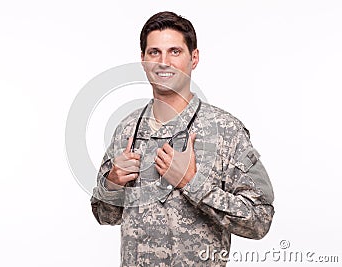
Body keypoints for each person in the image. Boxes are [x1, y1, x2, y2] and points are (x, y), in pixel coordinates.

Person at [91, 11, 274, 267]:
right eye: (154, 52)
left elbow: (260, 219)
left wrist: (191, 182)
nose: (163, 62)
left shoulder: (225, 130)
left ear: (194, 58)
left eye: (175, 51)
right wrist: (112, 184)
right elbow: (104, 215)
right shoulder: (127, 129)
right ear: (143, 59)